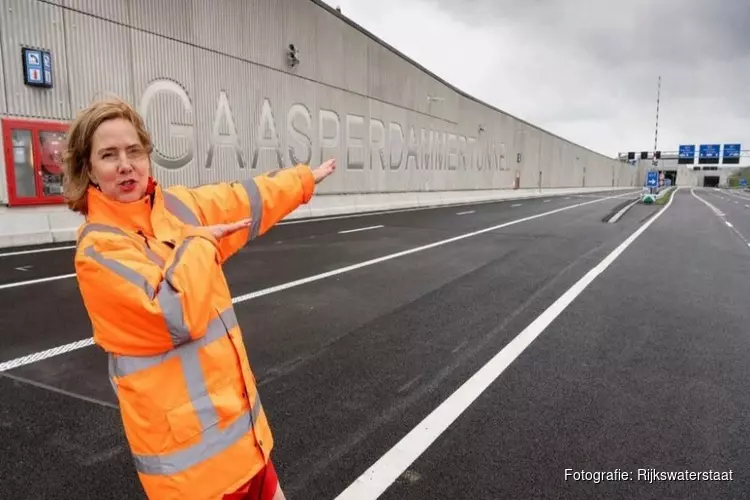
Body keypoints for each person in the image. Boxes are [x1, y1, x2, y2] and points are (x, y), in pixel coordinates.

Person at [62, 97, 336, 500]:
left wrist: (301, 182)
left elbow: (243, 198)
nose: (125, 164)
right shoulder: (98, 252)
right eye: (108, 155)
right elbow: (173, 315)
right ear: (88, 170)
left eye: (134, 151)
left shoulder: (175, 208)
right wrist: (201, 242)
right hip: (193, 479)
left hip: (246, 447)